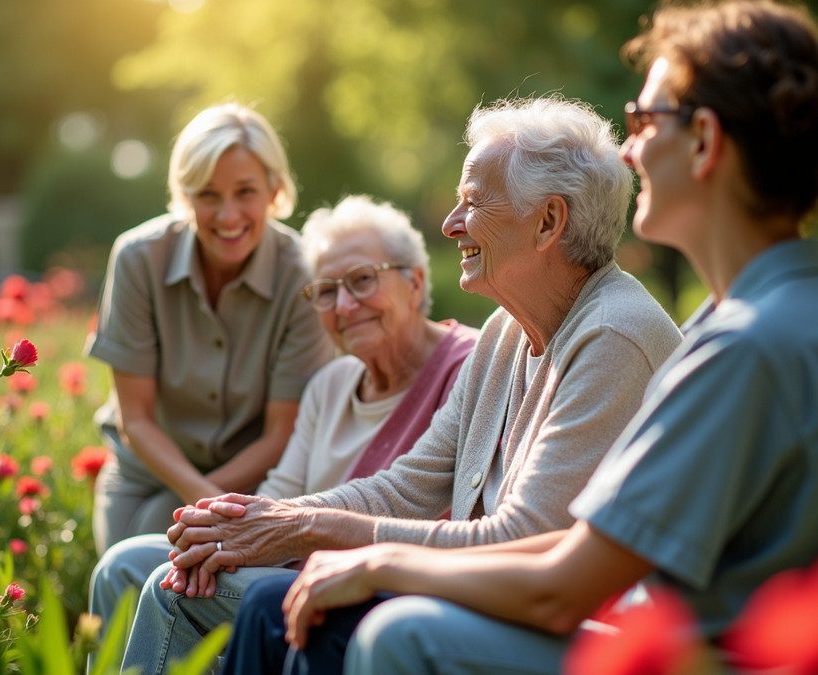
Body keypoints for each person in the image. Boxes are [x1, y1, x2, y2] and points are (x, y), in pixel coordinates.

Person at [224, 2, 818, 673]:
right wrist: (284, 521)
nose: (629, 149)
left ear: (705, 142)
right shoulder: (754, 321)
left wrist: (378, 559)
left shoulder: (738, 345)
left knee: (395, 631)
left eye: (645, 120)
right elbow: (562, 545)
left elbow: (564, 579)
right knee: (298, 606)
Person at [120, 96, 683, 673]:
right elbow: (407, 486)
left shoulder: (614, 335)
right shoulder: (504, 334)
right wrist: (267, 520)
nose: (449, 224)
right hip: (482, 600)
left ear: (548, 222)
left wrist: (308, 529)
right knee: (187, 585)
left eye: (474, 202)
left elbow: (525, 540)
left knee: (282, 607)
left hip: (583, 634)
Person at [87, 194, 478, 625]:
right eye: (326, 292)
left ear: (415, 282)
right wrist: (217, 534)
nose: (345, 306)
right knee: (121, 566)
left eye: (363, 280)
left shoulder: (469, 368)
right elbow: (280, 490)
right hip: (284, 562)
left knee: (168, 585)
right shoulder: (330, 384)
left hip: (370, 585)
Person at [85, 103, 334, 555]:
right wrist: (195, 500)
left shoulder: (304, 273)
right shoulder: (137, 259)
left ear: (274, 191)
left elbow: (282, 433)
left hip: (252, 479)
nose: (228, 215)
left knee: (180, 589)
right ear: (185, 196)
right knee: (120, 576)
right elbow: (135, 419)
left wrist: (204, 507)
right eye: (207, 195)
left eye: (245, 192)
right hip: (145, 469)